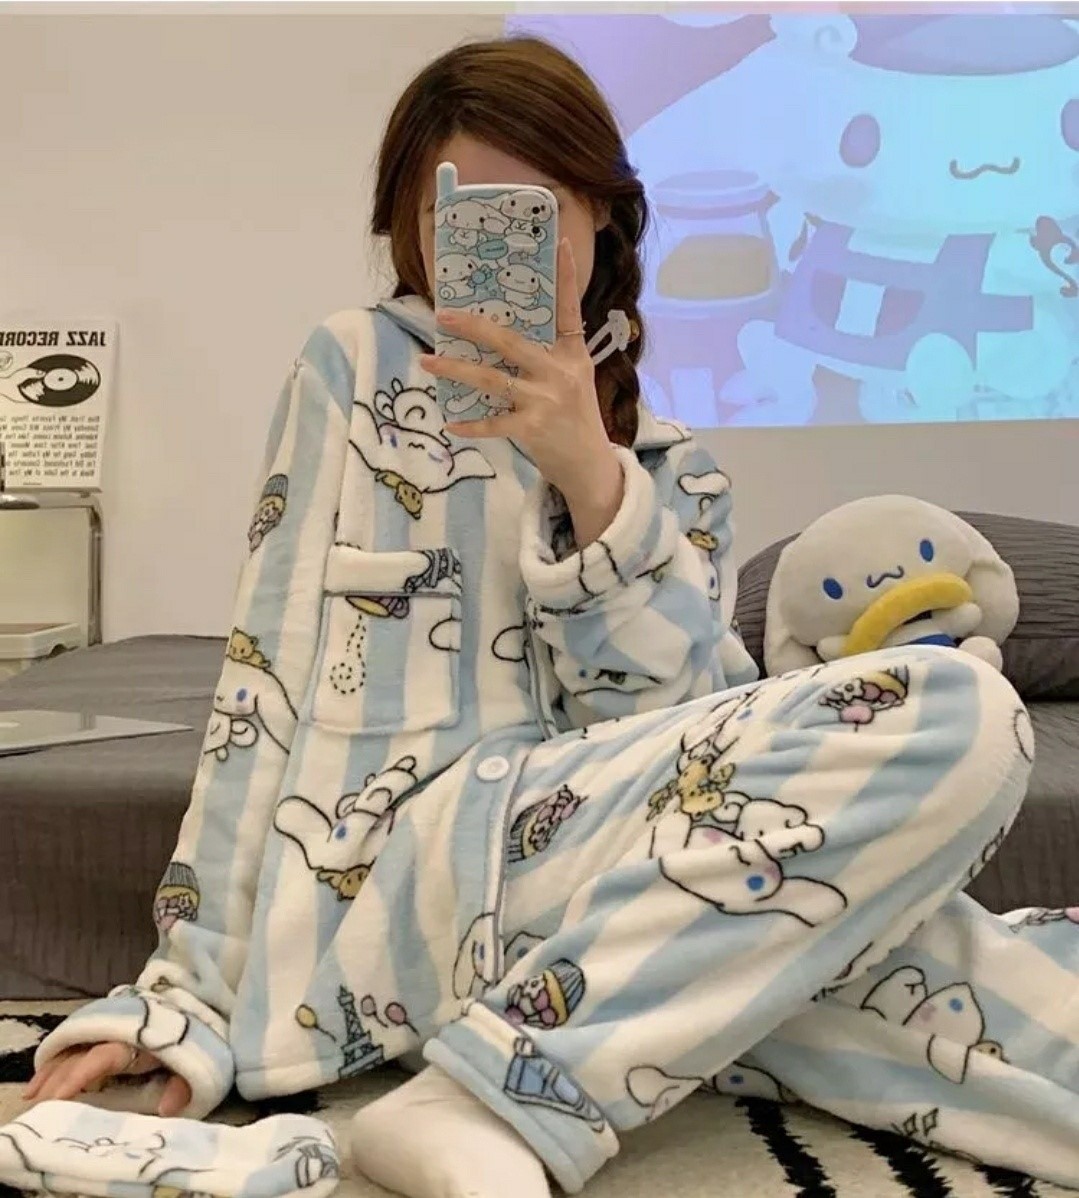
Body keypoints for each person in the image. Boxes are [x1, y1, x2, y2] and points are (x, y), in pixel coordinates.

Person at [15, 34, 1077, 1198]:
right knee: (901, 827)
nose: (488, 246)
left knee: (958, 736)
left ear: (597, 216)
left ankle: (495, 1081)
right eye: (455, 215)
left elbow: (694, 744)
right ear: (408, 229)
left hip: (608, 900)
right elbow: (255, 697)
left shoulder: (673, 476)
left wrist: (591, 481)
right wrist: (180, 998)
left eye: (530, 212)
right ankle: (504, 1094)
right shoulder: (353, 372)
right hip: (401, 890)